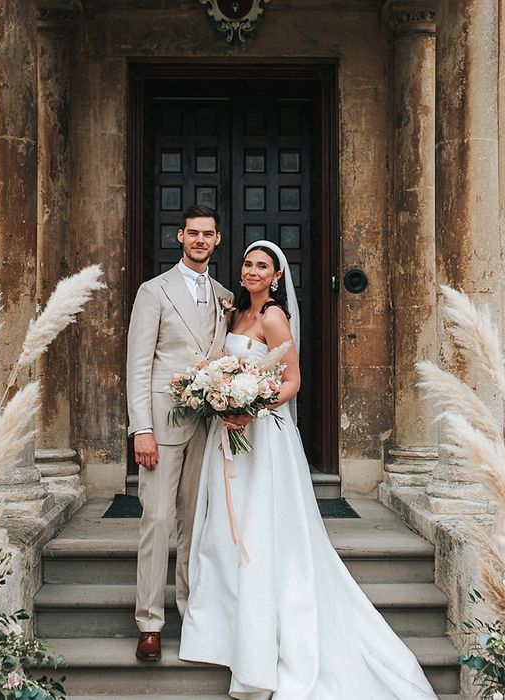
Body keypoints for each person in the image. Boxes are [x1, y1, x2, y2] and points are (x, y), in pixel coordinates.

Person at [179, 240, 438, 699]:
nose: (253, 270)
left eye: (263, 265)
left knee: (260, 534)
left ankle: (267, 641)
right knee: (226, 532)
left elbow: (292, 380)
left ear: (277, 276)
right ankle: (226, 630)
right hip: (230, 437)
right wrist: (219, 397)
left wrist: (252, 405)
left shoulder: (273, 317)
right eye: (248, 263)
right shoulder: (234, 313)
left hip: (263, 438)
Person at [126, 204, 234, 662]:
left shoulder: (226, 295)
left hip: (206, 427)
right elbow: (137, 364)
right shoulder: (154, 292)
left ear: (217, 240)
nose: (200, 241)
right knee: (158, 521)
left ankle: (191, 614)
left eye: (207, 234)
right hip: (162, 427)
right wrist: (141, 429)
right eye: (193, 234)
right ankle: (150, 623)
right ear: (180, 237)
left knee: (196, 523)